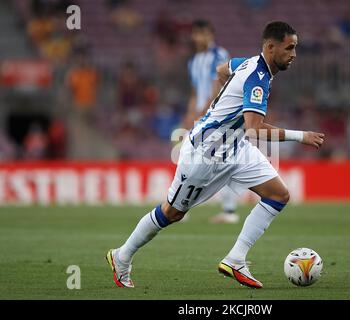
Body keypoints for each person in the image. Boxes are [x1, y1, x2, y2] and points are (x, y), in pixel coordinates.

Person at [106, 21, 325, 289]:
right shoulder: (257, 78)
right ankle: (122, 256)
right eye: (289, 48)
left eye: (295, 48)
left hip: (235, 148)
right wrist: (301, 135)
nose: (294, 54)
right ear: (270, 47)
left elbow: (223, 70)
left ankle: (235, 259)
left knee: (279, 195)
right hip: (204, 156)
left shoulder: (249, 64)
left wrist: (216, 105)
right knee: (172, 213)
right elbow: (255, 129)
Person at [183, 19, 239, 224]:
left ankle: (230, 211)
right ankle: (182, 207)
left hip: (215, 116)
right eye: (197, 34)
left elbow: (218, 85)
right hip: (200, 116)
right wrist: (190, 114)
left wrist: (204, 111)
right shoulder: (193, 61)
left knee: (219, 162)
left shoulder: (219, 55)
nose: (200, 38)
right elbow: (195, 90)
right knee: (192, 160)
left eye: (204, 33)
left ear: (211, 35)